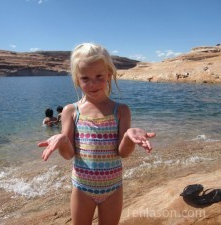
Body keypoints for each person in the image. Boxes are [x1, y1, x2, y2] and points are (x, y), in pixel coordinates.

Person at [37, 43, 156, 225]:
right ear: (77, 79)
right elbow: (69, 155)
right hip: (82, 188)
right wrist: (62, 141)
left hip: (113, 188)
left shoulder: (121, 111)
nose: (92, 83)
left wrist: (129, 136)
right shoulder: (71, 111)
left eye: (99, 76)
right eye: (85, 78)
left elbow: (123, 153)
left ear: (109, 74)